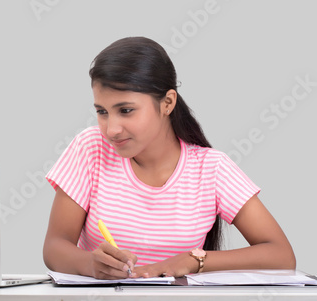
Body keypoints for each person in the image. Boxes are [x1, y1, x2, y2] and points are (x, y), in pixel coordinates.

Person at [42, 36, 296, 279]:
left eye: (126, 110)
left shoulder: (211, 168)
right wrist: (89, 264)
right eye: (102, 111)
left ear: (167, 103)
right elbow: (55, 247)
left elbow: (281, 256)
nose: (111, 129)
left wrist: (192, 260)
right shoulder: (90, 148)